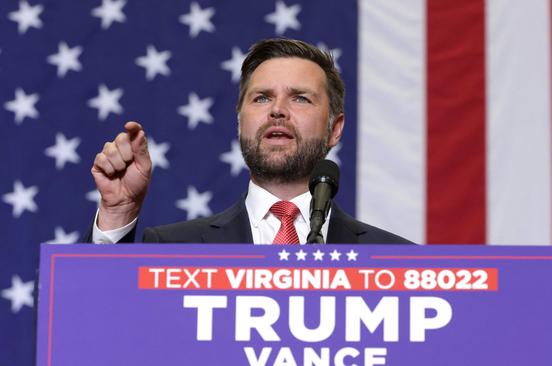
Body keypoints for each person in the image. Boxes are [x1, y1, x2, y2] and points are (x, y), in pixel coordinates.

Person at [88, 38, 410, 245]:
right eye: (261, 98)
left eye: (299, 98)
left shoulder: (395, 260)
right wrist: (118, 213)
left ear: (335, 128)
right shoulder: (175, 249)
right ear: (240, 120)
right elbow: (101, 329)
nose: (277, 111)